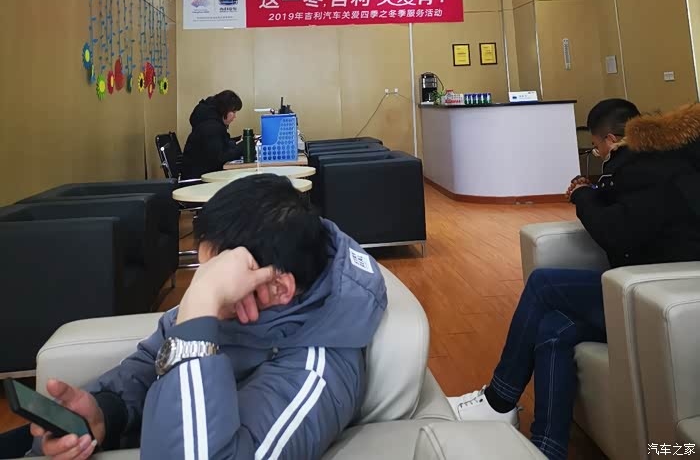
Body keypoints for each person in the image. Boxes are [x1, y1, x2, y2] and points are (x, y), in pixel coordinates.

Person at [29, 174, 387, 460]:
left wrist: (201, 308)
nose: (201, 287)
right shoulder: (228, 304)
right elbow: (147, 365)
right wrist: (105, 413)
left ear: (277, 287)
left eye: (215, 274)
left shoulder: (315, 375)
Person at [448, 99, 700, 460]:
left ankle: (500, 400)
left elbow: (616, 232)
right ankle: (547, 449)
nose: (598, 155)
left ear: (610, 140)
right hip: (644, 288)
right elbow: (634, 215)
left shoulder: (656, 171)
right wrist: (593, 192)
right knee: (553, 326)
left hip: (659, 294)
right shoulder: (663, 162)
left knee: (543, 284)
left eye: (596, 147)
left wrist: (582, 195)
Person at [180, 89, 244, 179]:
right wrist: (243, 147)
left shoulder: (210, 121)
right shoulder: (211, 127)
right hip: (199, 180)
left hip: (201, 174)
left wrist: (238, 140)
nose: (234, 116)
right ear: (224, 109)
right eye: (233, 112)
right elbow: (220, 158)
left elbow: (221, 143)